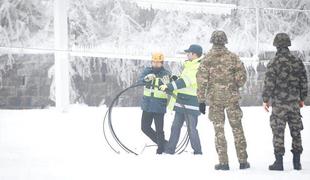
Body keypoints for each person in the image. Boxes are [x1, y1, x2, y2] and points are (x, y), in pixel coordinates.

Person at [196, 30, 250, 170]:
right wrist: (234, 85)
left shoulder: (207, 59)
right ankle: (243, 161)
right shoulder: (233, 57)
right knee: (237, 129)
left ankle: (223, 162)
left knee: (219, 131)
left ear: (212, 41)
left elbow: (201, 81)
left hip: (215, 100)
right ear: (225, 41)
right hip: (232, 99)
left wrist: (201, 100)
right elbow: (242, 78)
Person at [262, 33, 308, 171]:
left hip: (279, 105)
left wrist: (266, 100)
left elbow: (268, 83)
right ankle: (297, 162)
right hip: (294, 103)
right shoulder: (297, 61)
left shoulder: (273, 63)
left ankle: (279, 162)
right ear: (288, 44)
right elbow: (304, 82)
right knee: (296, 131)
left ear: (276, 45)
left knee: (278, 132)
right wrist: (302, 98)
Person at [159, 44, 203, 155]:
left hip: (191, 102)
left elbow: (185, 82)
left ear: (194, 54)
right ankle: (170, 150)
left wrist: (169, 86)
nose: (187, 54)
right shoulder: (189, 65)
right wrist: (173, 80)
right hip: (181, 101)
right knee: (175, 127)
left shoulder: (198, 67)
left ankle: (198, 151)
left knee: (191, 129)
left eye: (189, 53)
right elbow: (181, 80)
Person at [138, 52, 171, 154]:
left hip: (159, 106)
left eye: (158, 63)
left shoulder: (166, 73)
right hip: (147, 105)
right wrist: (145, 79)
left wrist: (168, 85)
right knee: (145, 127)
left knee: (159, 130)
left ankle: (161, 149)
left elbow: (171, 89)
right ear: (151, 62)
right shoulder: (147, 71)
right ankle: (164, 144)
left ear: (162, 63)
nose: (156, 65)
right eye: (154, 62)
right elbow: (139, 81)